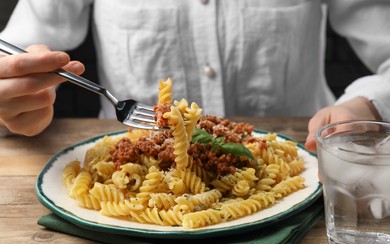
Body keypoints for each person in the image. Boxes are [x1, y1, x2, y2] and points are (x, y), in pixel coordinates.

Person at [0, 0, 389, 153]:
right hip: (133, 184)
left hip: (295, 172)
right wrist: (14, 98)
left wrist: (368, 101)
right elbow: (13, 52)